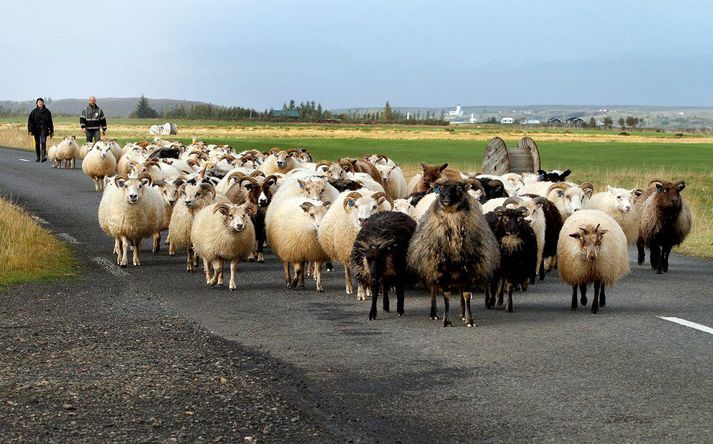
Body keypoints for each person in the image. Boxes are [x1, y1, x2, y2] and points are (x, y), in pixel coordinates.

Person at [27, 98, 54, 162]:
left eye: (42, 102)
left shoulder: (47, 111)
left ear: (43, 103)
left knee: (43, 142)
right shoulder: (33, 112)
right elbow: (30, 122)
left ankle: (43, 157)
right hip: (36, 129)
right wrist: (30, 130)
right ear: (37, 103)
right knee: (37, 143)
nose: (41, 103)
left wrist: (51, 131)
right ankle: (38, 157)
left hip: (44, 129)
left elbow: (50, 122)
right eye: (39, 102)